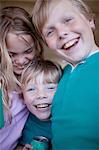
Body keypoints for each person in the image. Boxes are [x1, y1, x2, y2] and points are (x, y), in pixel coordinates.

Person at [32, 0, 99, 149]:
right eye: (50, 32)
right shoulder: (61, 75)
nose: (62, 33)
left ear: (90, 20)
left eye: (68, 20)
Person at [0, 6, 43, 150]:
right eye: (11, 55)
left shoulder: (36, 81)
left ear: (36, 45)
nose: (21, 60)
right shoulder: (3, 88)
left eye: (28, 51)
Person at [19, 59, 62, 149]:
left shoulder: (68, 121)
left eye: (50, 88)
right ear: (22, 97)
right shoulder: (22, 124)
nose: (41, 95)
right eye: (31, 89)